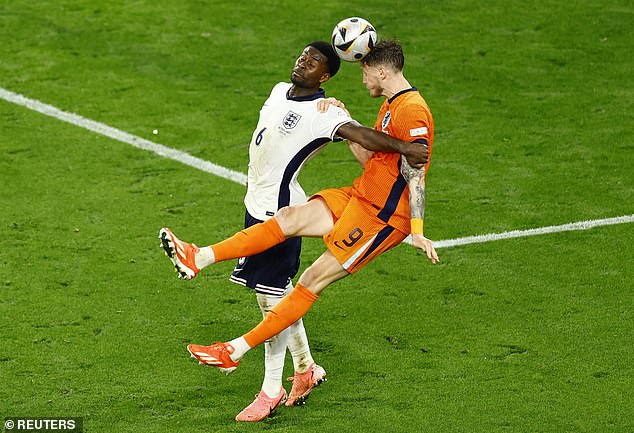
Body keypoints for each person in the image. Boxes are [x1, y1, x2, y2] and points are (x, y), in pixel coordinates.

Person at [159, 41, 429, 422]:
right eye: (303, 55)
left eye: (365, 69)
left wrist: (417, 228)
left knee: (287, 292)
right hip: (316, 199)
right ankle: (303, 367)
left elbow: (413, 165)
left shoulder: (408, 110)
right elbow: (371, 157)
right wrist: (348, 114)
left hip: (379, 216)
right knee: (277, 285)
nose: (362, 75)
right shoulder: (371, 103)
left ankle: (258, 377)